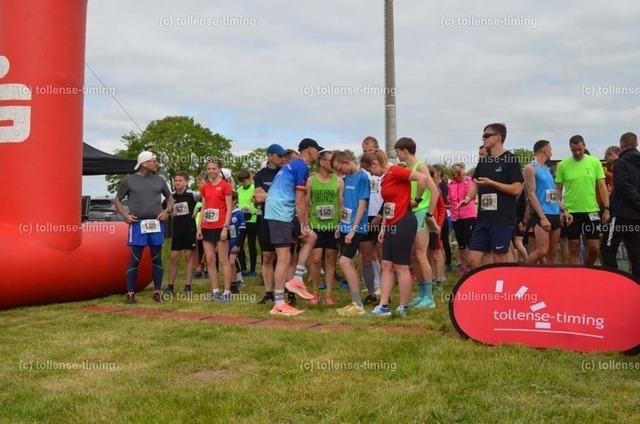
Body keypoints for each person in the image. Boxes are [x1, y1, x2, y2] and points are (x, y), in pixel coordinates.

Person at [360, 149, 428, 316]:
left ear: (374, 163)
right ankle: (383, 305)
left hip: (403, 221)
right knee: (386, 265)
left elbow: (423, 178)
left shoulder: (396, 171)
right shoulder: (385, 178)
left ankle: (403, 306)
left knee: (401, 266)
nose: (371, 174)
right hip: (391, 224)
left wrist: (416, 200)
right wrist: (383, 227)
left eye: (370, 170)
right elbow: (388, 203)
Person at [263, 138, 322, 316]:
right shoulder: (301, 166)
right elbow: (300, 200)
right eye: (317, 150)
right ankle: (279, 304)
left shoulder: (294, 165)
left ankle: (296, 279)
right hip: (280, 214)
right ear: (309, 149)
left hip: (283, 212)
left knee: (311, 237)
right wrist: (303, 224)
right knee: (284, 257)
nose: (318, 154)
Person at [458, 123, 524, 268]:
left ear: (498, 137)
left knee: (499, 259)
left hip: (502, 218)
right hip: (483, 218)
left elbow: (516, 189)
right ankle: (483, 282)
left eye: (486, 135)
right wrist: (467, 199)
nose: (483, 138)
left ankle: (502, 282)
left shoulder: (511, 160)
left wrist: (492, 183)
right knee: (473, 260)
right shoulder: (483, 161)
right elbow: (476, 184)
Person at [114, 151, 173, 304]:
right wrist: (125, 215)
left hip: (155, 223)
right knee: (135, 259)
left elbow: (170, 198)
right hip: (137, 224)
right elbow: (117, 200)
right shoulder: (129, 180)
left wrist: (166, 211)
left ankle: (157, 292)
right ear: (144, 164)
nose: (157, 163)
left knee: (156, 258)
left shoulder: (160, 180)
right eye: (154, 161)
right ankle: (130, 294)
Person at [394, 137, 439, 309]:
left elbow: (434, 192)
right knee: (414, 255)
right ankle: (421, 294)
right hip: (411, 213)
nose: (397, 155)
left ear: (405, 151)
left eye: (397, 152)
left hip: (420, 212)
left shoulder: (420, 167)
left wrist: (428, 214)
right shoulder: (408, 169)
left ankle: (429, 297)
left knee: (421, 254)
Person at [555, 135, 609, 265]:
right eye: (574, 150)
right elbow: (557, 191)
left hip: (591, 210)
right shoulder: (563, 165)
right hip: (571, 212)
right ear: (570, 149)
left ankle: (586, 268)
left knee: (594, 247)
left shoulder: (594, 162)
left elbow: (602, 187)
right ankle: (577, 274)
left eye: (580, 149)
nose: (578, 152)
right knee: (574, 247)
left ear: (584, 146)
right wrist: (561, 210)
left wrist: (607, 208)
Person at [331, 151, 370, 316]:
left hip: (356, 228)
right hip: (345, 227)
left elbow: (361, 206)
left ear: (347, 162)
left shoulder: (362, 178)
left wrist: (353, 230)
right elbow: (346, 205)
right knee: (346, 262)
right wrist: (341, 225)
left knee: (344, 261)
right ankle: (355, 302)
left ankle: (358, 304)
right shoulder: (346, 179)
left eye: (339, 169)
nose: (339, 173)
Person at [601, 132, 640, 278]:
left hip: (620, 213)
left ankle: (614, 280)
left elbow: (624, 185)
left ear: (621, 145)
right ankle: (636, 283)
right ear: (636, 144)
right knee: (635, 252)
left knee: (607, 249)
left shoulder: (620, 163)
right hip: (636, 215)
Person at [306, 150, 342, 306]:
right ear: (322, 162)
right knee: (315, 259)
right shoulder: (311, 181)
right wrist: (306, 224)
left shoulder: (339, 181)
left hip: (333, 225)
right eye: (331, 160)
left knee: (330, 259)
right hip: (316, 225)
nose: (334, 164)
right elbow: (306, 204)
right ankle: (315, 291)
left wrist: (341, 224)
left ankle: (328, 293)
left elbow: (341, 204)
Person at [253, 144, 286, 304]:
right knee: (267, 257)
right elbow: (258, 199)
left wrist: (268, 196)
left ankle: (286, 292)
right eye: (279, 156)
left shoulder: (285, 172)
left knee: (284, 257)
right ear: (270, 156)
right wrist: (266, 197)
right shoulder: (260, 175)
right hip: (265, 219)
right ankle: (268, 293)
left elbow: (286, 196)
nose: (282, 159)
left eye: (283, 156)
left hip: (282, 218)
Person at [197, 157, 233, 301]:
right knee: (210, 260)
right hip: (207, 226)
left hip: (220, 226)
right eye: (209, 169)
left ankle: (227, 291)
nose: (211, 171)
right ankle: (215, 291)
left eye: (214, 168)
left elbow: (229, 208)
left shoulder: (225, 186)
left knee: (223, 260)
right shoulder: (205, 187)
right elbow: (203, 207)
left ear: (219, 170)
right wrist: (199, 228)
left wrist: (225, 227)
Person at [524, 140, 561, 264]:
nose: (551, 152)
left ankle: (552, 275)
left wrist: (563, 209)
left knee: (553, 250)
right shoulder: (530, 167)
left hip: (554, 212)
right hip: (542, 213)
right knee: (542, 250)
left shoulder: (546, 169)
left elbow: (552, 192)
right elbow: (531, 193)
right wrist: (542, 217)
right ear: (545, 150)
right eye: (550, 149)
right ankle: (522, 271)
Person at [163, 171, 199, 295]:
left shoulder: (192, 195)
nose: (177, 183)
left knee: (188, 256)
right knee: (173, 257)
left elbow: (206, 200)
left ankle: (187, 286)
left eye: (180, 180)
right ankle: (170, 286)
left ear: (186, 182)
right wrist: (168, 212)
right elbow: (164, 208)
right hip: (177, 230)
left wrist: (198, 209)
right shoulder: (171, 196)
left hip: (189, 229)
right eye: (176, 180)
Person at [359, 136, 384, 303]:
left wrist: (382, 215)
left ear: (377, 149)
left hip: (382, 215)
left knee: (382, 252)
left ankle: (384, 286)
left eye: (370, 150)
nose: (366, 153)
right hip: (365, 216)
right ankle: (373, 287)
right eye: (364, 150)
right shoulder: (361, 171)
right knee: (367, 253)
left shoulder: (387, 169)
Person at [447, 162, 477, 274]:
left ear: (460, 173)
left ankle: (472, 264)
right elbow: (450, 198)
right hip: (456, 216)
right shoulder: (451, 184)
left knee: (469, 241)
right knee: (461, 243)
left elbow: (471, 194)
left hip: (468, 215)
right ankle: (463, 266)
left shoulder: (469, 180)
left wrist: (464, 181)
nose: (452, 177)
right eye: (451, 174)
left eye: (454, 174)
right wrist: (449, 202)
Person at [236, 169, 258, 277]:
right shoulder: (238, 190)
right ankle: (243, 268)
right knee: (239, 244)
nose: (244, 182)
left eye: (245, 179)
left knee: (251, 245)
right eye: (241, 180)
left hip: (252, 220)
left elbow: (256, 204)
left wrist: (249, 209)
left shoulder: (254, 188)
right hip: (241, 221)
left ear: (250, 178)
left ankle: (252, 269)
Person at [433, 164, 452, 273]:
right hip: (435, 216)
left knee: (444, 241)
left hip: (442, 216)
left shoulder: (443, 185)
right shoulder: (431, 184)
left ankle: (448, 263)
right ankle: (439, 266)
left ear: (439, 172)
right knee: (438, 243)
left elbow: (444, 200)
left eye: (434, 171)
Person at [228, 191, 247, 293]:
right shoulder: (225, 212)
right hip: (226, 241)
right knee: (229, 263)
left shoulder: (239, 214)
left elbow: (242, 231)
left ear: (234, 201)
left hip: (235, 241)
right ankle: (232, 282)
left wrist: (237, 244)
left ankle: (235, 283)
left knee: (232, 262)